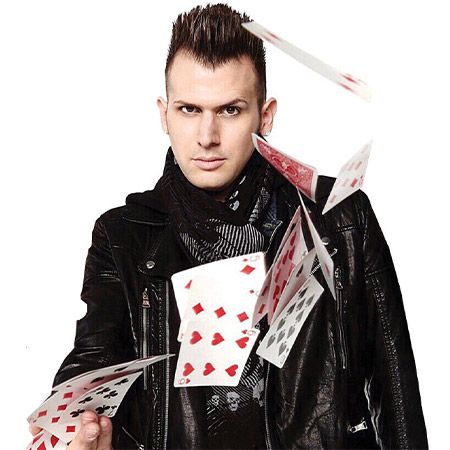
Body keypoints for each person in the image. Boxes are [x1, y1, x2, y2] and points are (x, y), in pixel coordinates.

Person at [29, 3, 428, 449]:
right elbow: (93, 361)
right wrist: (76, 420)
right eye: (188, 109)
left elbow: (395, 392)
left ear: (265, 115)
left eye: (230, 111)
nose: (207, 137)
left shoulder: (340, 218)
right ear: (164, 114)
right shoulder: (123, 236)